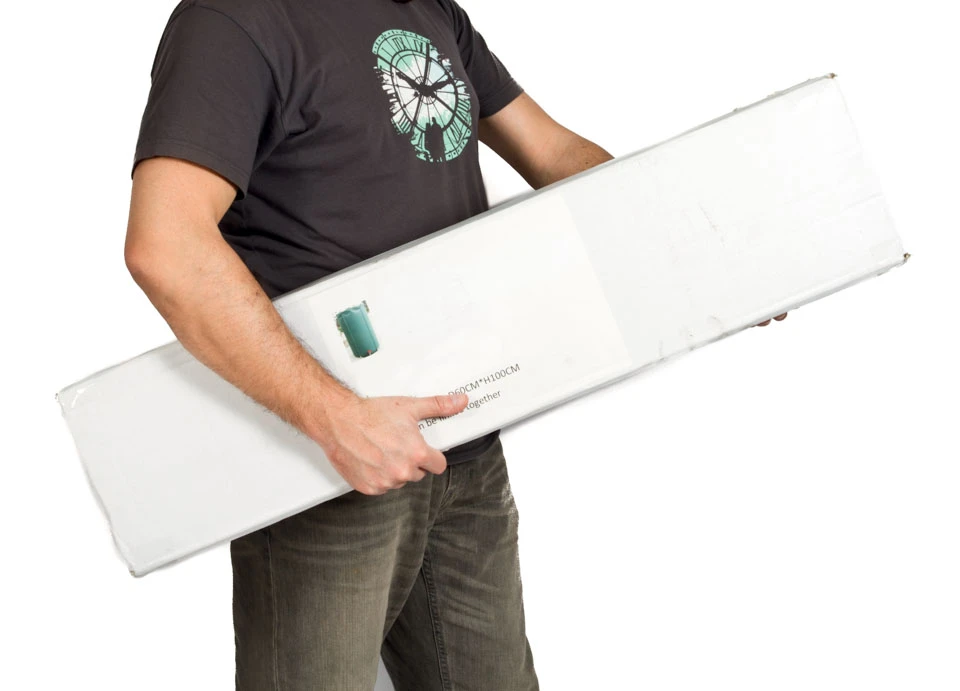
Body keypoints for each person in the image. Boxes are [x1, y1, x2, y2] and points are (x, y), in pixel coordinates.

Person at [125, 1, 786, 689]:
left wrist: (693, 258)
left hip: (464, 452)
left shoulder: (430, 8)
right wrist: (336, 418)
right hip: (331, 471)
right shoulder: (233, 20)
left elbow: (553, 151)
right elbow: (166, 245)